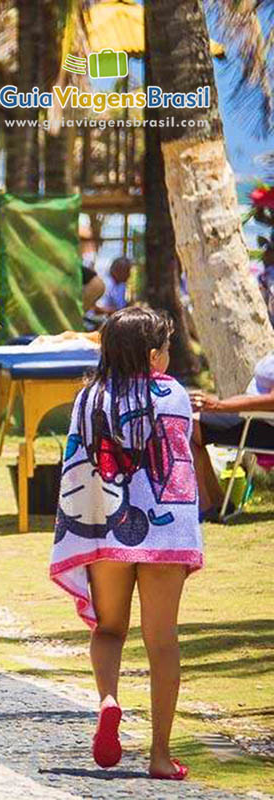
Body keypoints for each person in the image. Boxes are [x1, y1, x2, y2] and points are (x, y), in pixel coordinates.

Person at [50, 307, 201, 782]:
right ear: (153, 355)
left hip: (106, 530)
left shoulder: (88, 398)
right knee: (162, 641)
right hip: (164, 534)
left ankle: (109, 699)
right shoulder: (172, 393)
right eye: (167, 347)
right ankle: (159, 755)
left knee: (109, 629)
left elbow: (76, 465)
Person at [189, 351, 274, 516]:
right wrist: (219, 405)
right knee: (191, 423)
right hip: (254, 417)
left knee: (192, 425)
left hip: (263, 425)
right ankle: (217, 503)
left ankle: (206, 506)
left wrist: (219, 406)